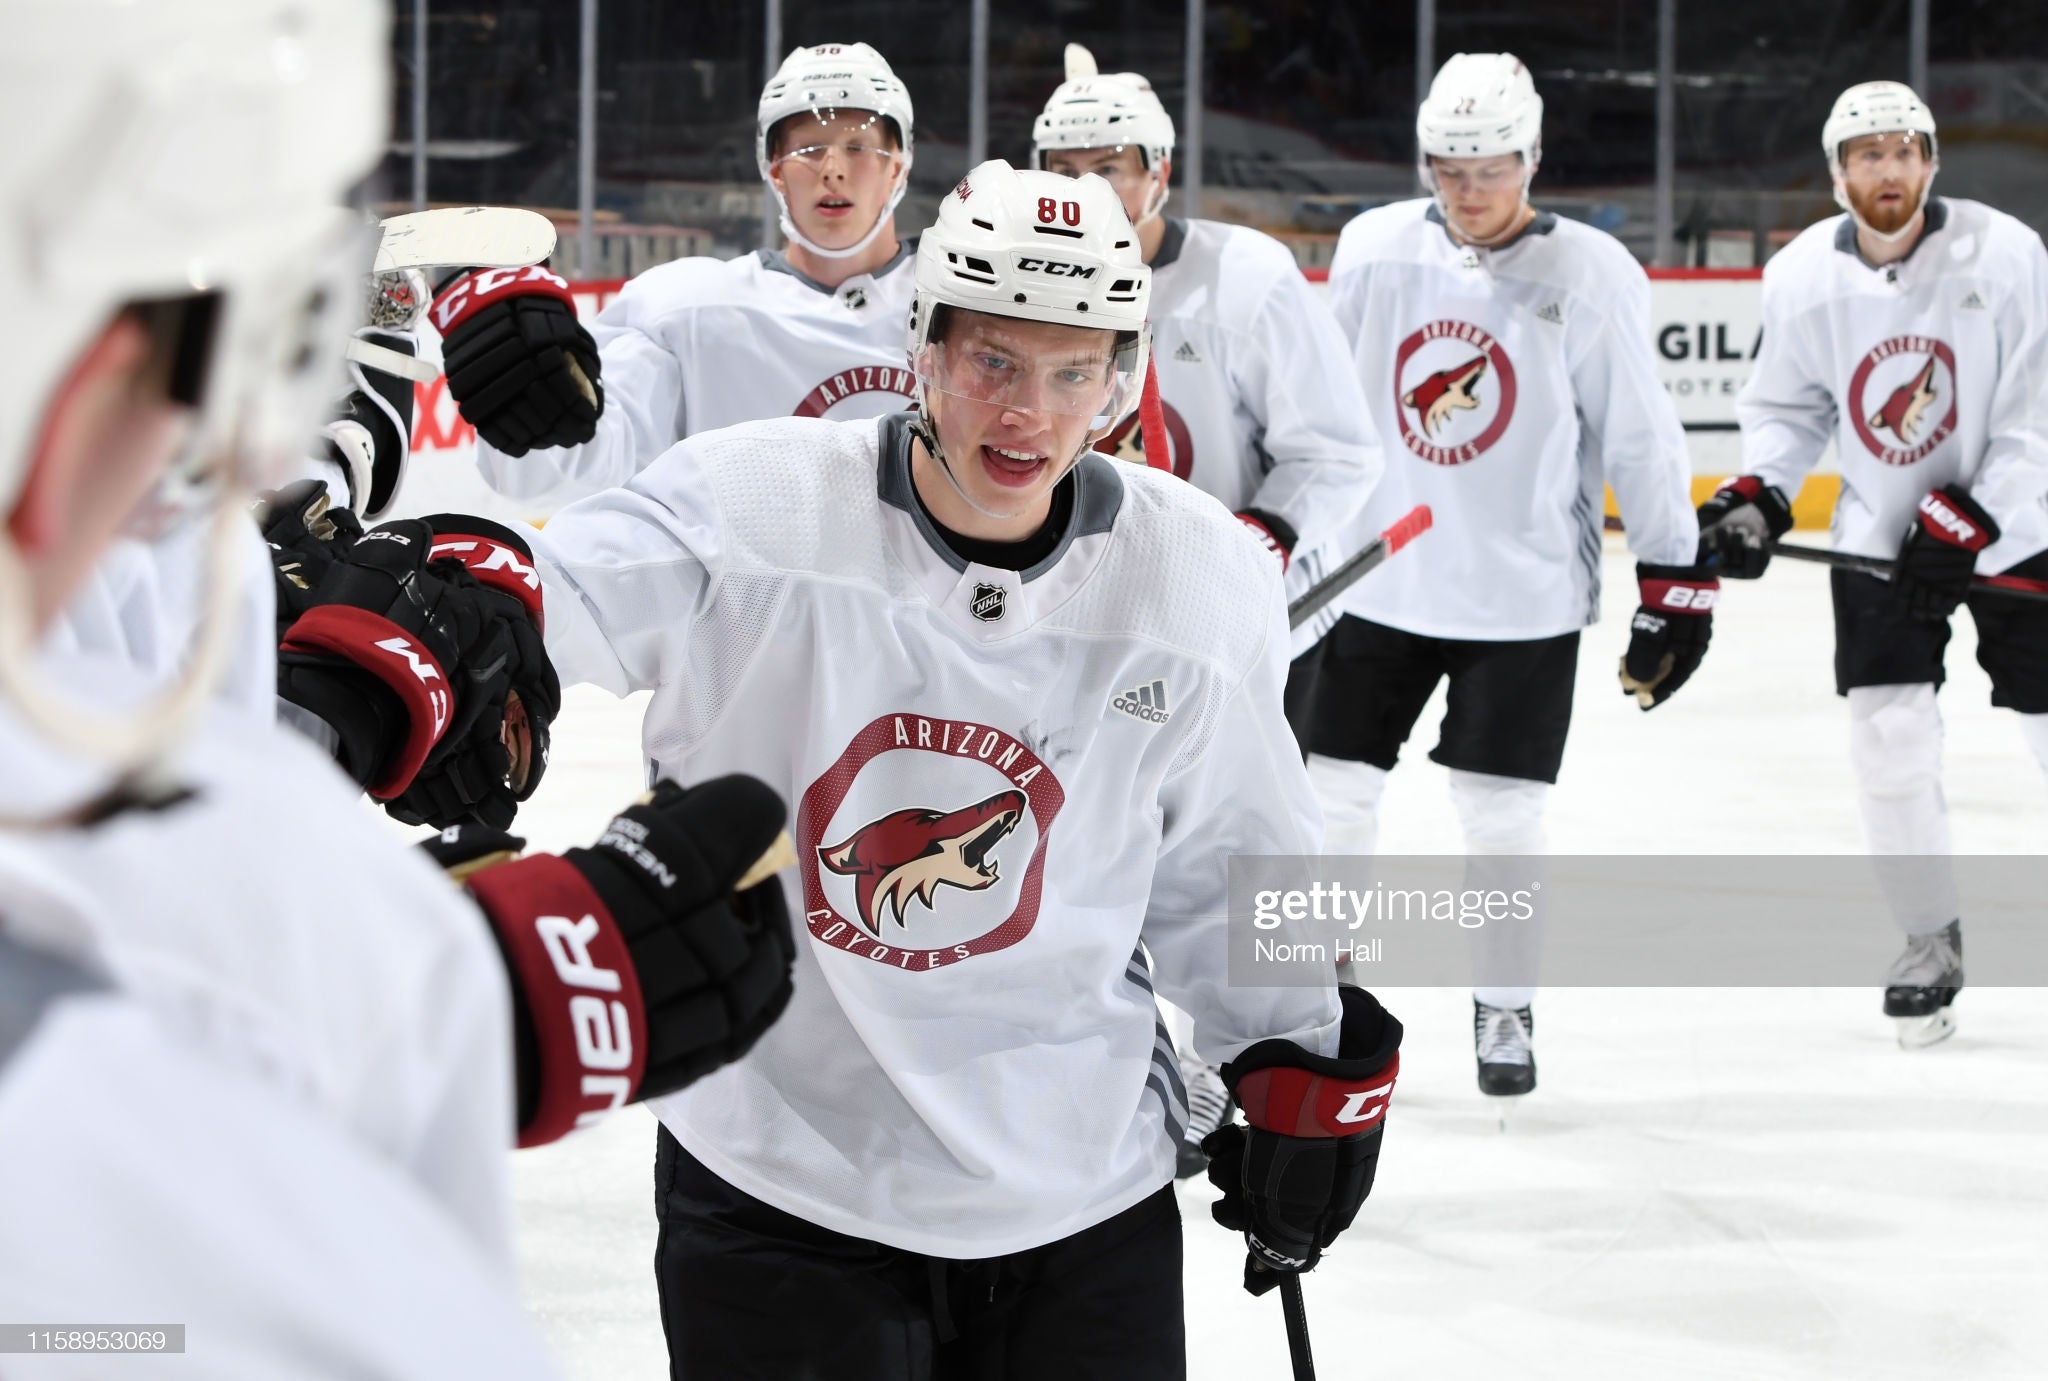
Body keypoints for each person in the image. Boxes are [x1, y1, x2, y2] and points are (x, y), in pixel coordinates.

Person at [512, 159, 1402, 1378]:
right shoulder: (751, 503)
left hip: (1081, 1197)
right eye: (993, 362)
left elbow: (1232, 858)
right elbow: (546, 604)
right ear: (922, 349)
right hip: (779, 1181)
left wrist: (1293, 1053)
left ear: (1120, 380)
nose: (1027, 412)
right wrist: (437, 637)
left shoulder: (1195, 575)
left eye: (1070, 371)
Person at [0, 0, 795, 1366]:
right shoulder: (692, 308)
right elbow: (104, 1311)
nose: (228, 465)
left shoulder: (135, 550)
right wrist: (447, 999)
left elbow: (129, 799)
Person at [1305, 53, 1710, 1096]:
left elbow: (1643, 437)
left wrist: (1671, 578)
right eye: (1447, 166)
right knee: (1329, 796)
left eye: (1488, 166)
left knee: (1500, 817)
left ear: (1530, 158)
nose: (1467, 190)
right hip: (1375, 577)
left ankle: (1502, 1002)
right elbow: (1324, 414)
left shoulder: (1587, 272)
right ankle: (1317, 987)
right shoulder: (1371, 249)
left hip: (1520, 595)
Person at [1031, 41, 1383, 1172]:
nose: (1089, 187)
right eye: (1064, 163)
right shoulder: (1019, 278)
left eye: (1112, 164)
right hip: (1078, 629)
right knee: (1088, 858)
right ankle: (1131, 1068)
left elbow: (1335, 451)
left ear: (1162, 173)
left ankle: (1266, 1055)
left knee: (1234, 861)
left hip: (1240, 636)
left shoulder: (1246, 279)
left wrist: (1261, 543)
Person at [1698, 80, 2048, 1049]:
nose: (1885, 170)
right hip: (1879, 543)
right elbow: (1785, 407)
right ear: (1836, 172)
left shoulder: (2005, 253)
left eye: (1902, 152)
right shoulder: (1804, 272)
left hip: (2018, 531)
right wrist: (1762, 492)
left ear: (1929, 163)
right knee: (1887, 746)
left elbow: (2037, 408)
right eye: (1865, 155)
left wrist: (1970, 515)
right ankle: (1926, 938)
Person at [451, 42, 922, 510]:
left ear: (897, 166)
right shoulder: (693, 311)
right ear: (774, 171)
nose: (833, 170)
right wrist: (532, 407)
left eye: (858, 146)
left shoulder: (965, 304)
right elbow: (564, 469)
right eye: (809, 149)